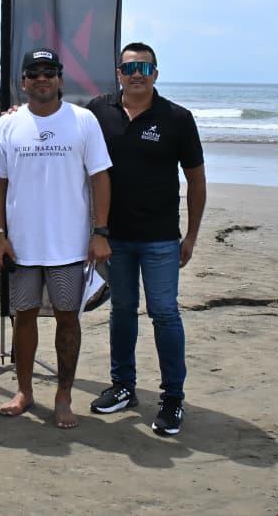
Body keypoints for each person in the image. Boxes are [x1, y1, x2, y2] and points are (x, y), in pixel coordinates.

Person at [86, 42, 206, 437]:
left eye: (144, 67)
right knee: (122, 312)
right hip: (112, 238)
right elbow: (62, 133)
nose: (137, 73)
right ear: (118, 72)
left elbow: (196, 179)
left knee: (165, 314)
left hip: (160, 240)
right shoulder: (97, 112)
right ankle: (123, 386)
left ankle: (172, 398)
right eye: (129, 67)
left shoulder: (177, 118)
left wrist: (190, 235)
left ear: (156, 73)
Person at [0, 48, 112, 429]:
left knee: (67, 321)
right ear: (23, 81)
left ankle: (63, 396)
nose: (42, 78)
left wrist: (100, 231)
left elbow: (100, 177)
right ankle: (24, 391)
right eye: (34, 72)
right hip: (22, 246)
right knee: (22, 318)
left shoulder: (83, 121)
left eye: (49, 71)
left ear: (60, 78)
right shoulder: (6, 125)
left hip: (70, 246)